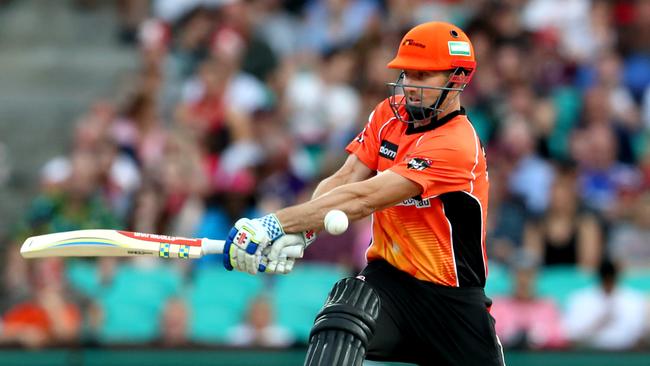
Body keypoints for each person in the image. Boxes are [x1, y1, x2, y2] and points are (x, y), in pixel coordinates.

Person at [222, 22, 504, 365]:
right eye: (407, 73)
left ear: (458, 77)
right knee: (341, 316)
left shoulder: (457, 144)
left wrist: (274, 224)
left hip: (452, 301)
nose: (410, 86)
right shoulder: (388, 114)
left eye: (423, 76)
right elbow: (346, 177)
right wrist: (306, 229)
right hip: (389, 280)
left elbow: (365, 197)